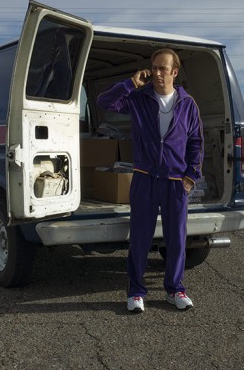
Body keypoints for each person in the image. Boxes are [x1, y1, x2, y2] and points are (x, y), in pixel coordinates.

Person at [97, 48, 203, 312]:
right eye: (153, 68)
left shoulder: (188, 104)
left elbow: (196, 142)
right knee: (140, 238)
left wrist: (191, 176)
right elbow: (104, 102)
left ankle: (175, 289)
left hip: (175, 181)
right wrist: (130, 84)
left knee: (176, 240)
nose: (156, 73)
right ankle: (135, 292)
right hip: (145, 178)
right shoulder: (138, 98)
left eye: (162, 68)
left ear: (174, 72)